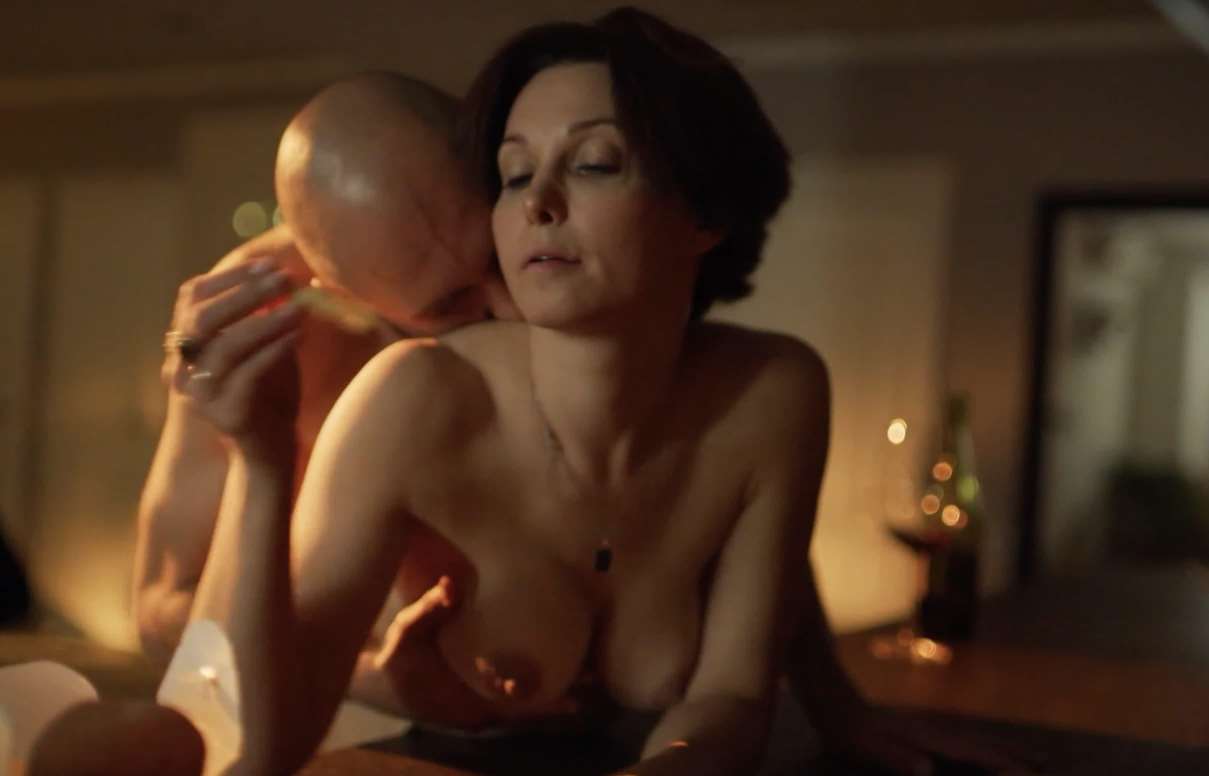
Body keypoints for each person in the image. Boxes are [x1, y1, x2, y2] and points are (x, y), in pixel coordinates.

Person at [189, 8, 825, 775]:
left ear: (701, 211)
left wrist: (828, 713)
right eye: (515, 174)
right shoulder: (404, 397)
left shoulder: (772, 394)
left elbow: (735, 689)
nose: (536, 203)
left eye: (593, 162)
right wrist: (259, 464)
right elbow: (247, 745)